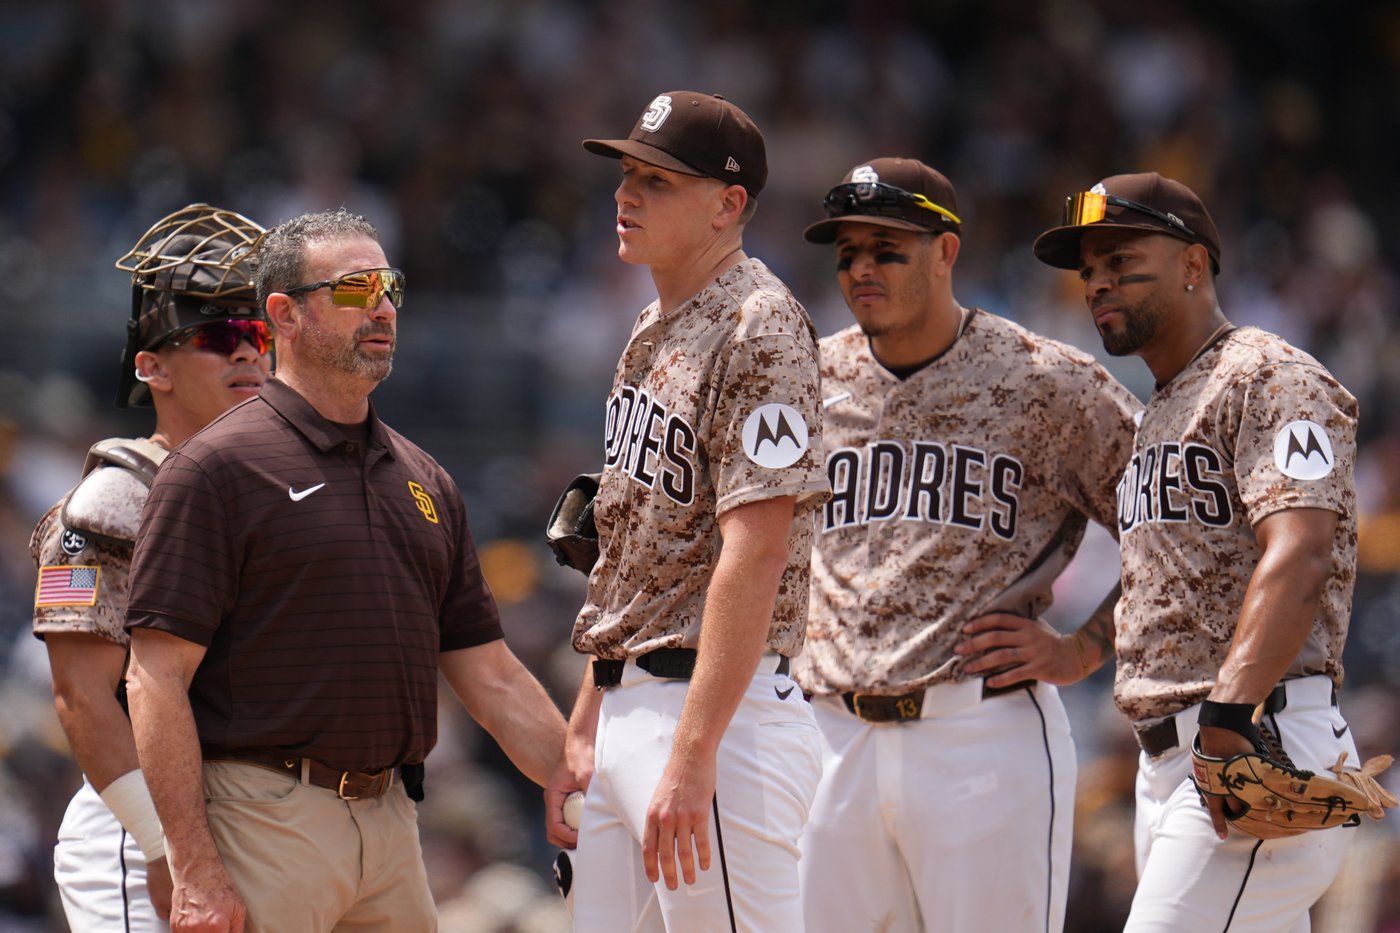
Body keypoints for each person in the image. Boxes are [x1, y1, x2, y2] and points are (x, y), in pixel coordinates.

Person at [123, 208, 568, 933]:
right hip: (263, 817)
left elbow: (491, 674)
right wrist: (195, 866)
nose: (384, 306)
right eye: (356, 289)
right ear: (284, 316)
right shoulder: (214, 468)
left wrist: (572, 780)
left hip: (393, 823)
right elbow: (153, 676)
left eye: (389, 286)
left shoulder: (426, 479)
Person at [1007, 171, 1365, 929]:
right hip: (1174, 757)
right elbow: (1160, 579)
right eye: (1090, 270)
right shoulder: (1161, 410)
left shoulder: (1269, 374)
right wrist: (1080, 652)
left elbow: (1301, 553)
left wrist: (1230, 717)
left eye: (1122, 260)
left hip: (1255, 734)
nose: (1099, 283)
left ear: (1193, 264)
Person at [795, 157, 1140, 932]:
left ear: (945, 250)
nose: (861, 268)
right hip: (827, 736)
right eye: (847, 251)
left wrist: (1084, 648)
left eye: (887, 247)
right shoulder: (809, 378)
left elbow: (1180, 531)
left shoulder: (1045, 381)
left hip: (978, 733)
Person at [543, 91, 829, 932]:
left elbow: (758, 550)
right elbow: (627, 559)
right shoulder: (648, 327)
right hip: (627, 699)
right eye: (628, 174)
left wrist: (696, 751)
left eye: (658, 181)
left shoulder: (762, 325)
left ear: (728, 204)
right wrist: (587, 725)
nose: (627, 194)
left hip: (717, 720)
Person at [31, 203, 272, 931]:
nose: (244, 353)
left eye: (256, 332)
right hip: (140, 834)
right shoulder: (114, 497)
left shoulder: (276, 489)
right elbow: (81, 694)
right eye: (214, 334)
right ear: (151, 364)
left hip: (250, 825)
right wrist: (170, 847)